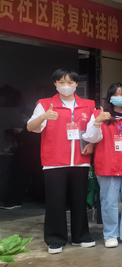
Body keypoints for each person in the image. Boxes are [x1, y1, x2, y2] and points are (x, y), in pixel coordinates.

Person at [26, 68, 96, 254]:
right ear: (55, 84)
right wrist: (43, 116)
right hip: (54, 161)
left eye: (70, 82)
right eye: (61, 82)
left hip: (80, 159)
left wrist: (91, 144)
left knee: (79, 201)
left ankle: (81, 236)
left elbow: (94, 130)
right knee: (55, 202)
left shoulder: (88, 105)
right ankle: (55, 239)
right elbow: (31, 127)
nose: (66, 86)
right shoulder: (45, 104)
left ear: (76, 84)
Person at [82, 83, 122, 248]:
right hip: (107, 165)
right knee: (109, 202)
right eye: (115, 94)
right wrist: (97, 122)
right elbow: (90, 138)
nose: (119, 98)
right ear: (109, 97)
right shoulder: (98, 115)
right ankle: (110, 235)